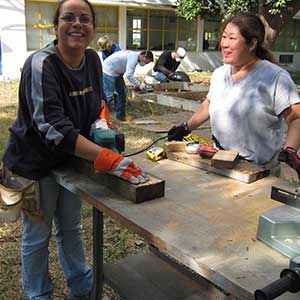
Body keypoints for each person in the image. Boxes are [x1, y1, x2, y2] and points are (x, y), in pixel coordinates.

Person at [1, 0, 147, 299]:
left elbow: (95, 104)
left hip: (70, 158)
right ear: (56, 27)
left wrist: (101, 121)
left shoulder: (93, 60)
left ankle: (81, 285)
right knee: (37, 235)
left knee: (71, 226)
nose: (78, 24)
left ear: (93, 29)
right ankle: (38, 295)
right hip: (34, 161)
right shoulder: (41, 64)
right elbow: (50, 126)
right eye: (69, 18)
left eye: (85, 19)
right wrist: (105, 156)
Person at [168, 13, 300, 175]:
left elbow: (295, 118)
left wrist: (290, 149)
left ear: (252, 44)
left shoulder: (275, 77)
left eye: (232, 38)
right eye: (223, 37)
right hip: (221, 162)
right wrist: (186, 127)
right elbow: (209, 104)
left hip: (260, 171)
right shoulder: (219, 74)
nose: (224, 44)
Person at [102, 49, 154, 121]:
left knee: (122, 93)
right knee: (108, 96)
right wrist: (139, 85)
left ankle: (121, 116)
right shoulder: (133, 58)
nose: (144, 64)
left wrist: (136, 84)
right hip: (108, 70)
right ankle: (102, 118)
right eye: (146, 62)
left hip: (117, 72)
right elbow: (129, 75)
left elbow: (128, 72)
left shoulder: (134, 57)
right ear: (143, 56)